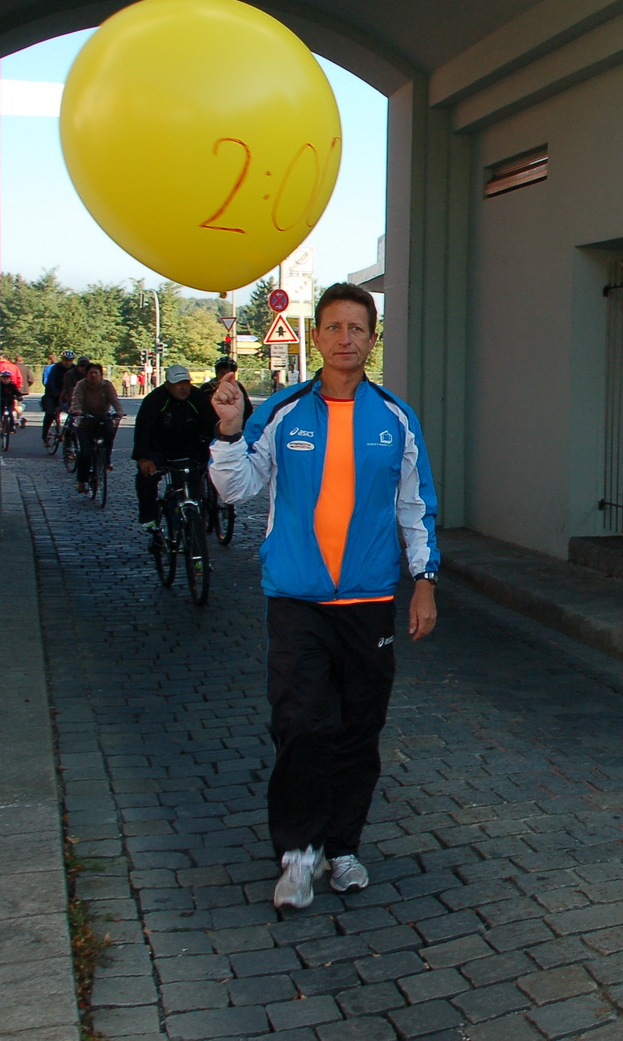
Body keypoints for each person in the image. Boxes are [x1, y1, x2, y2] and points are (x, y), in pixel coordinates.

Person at [208, 283, 440, 910]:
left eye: (356, 329)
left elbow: (415, 508)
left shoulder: (395, 417)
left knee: (358, 730)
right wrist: (228, 432)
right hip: (296, 603)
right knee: (301, 725)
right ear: (317, 338)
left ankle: (342, 847)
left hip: (367, 606)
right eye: (333, 328)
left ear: (372, 338)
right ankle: (297, 851)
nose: (344, 339)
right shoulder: (282, 412)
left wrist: (424, 583)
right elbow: (236, 489)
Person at [132, 365, 212, 530]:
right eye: (178, 383)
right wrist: (143, 458)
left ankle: (197, 518)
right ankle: (149, 518)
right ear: (168, 384)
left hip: (190, 448)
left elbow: (212, 423)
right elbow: (142, 430)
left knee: (196, 483)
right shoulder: (154, 400)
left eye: (186, 383)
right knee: (146, 477)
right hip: (159, 449)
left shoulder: (198, 397)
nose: (183, 387)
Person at [70, 363, 124, 493]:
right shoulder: (82, 385)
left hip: (102, 417)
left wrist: (119, 411)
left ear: (101, 375)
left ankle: (107, 460)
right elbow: (76, 400)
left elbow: (114, 400)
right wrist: (77, 410)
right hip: (85, 421)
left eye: (96, 373)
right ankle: (81, 481)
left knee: (110, 433)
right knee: (86, 453)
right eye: (91, 373)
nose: (94, 375)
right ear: (86, 375)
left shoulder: (107, 385)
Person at [42, 351, 74, 444]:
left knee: (75, 414)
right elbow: (50, 382)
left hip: (67, 394)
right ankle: (44, 435)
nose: (68, 362)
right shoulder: (56, 368)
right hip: (53, 394)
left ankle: (69, 434)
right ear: (62, 360)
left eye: (70, 360)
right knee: (50, 413)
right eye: (66, 360)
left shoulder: (74, 369)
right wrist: (56, 393)